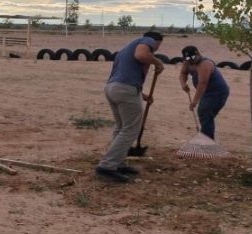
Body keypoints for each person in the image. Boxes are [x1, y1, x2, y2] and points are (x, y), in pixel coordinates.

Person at [96, 31, 165, 183]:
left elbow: (124, 75)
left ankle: (118, 163)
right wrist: (157, 62)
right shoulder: (147, 41)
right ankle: (107, 166)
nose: (156, 49)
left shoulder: (125, 49)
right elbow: (141, 55)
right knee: (130, 129)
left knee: (121, 128)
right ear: (157, 41)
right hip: (125, 90)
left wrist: (141, 94)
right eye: (158, 46)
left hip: (113, 88)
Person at [179, 45, 229, 140]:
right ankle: (205, 138)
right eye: (187, 59)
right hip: (206, 93)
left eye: (192, 58)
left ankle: (207, 141)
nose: (190, 61)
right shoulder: (187, 62)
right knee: (205, 115)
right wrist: (183, 84)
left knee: (204, 112)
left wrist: (195, 101)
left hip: (217, 93)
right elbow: (183, 73)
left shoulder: (205, 64)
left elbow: (202, 83)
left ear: (197, 53)